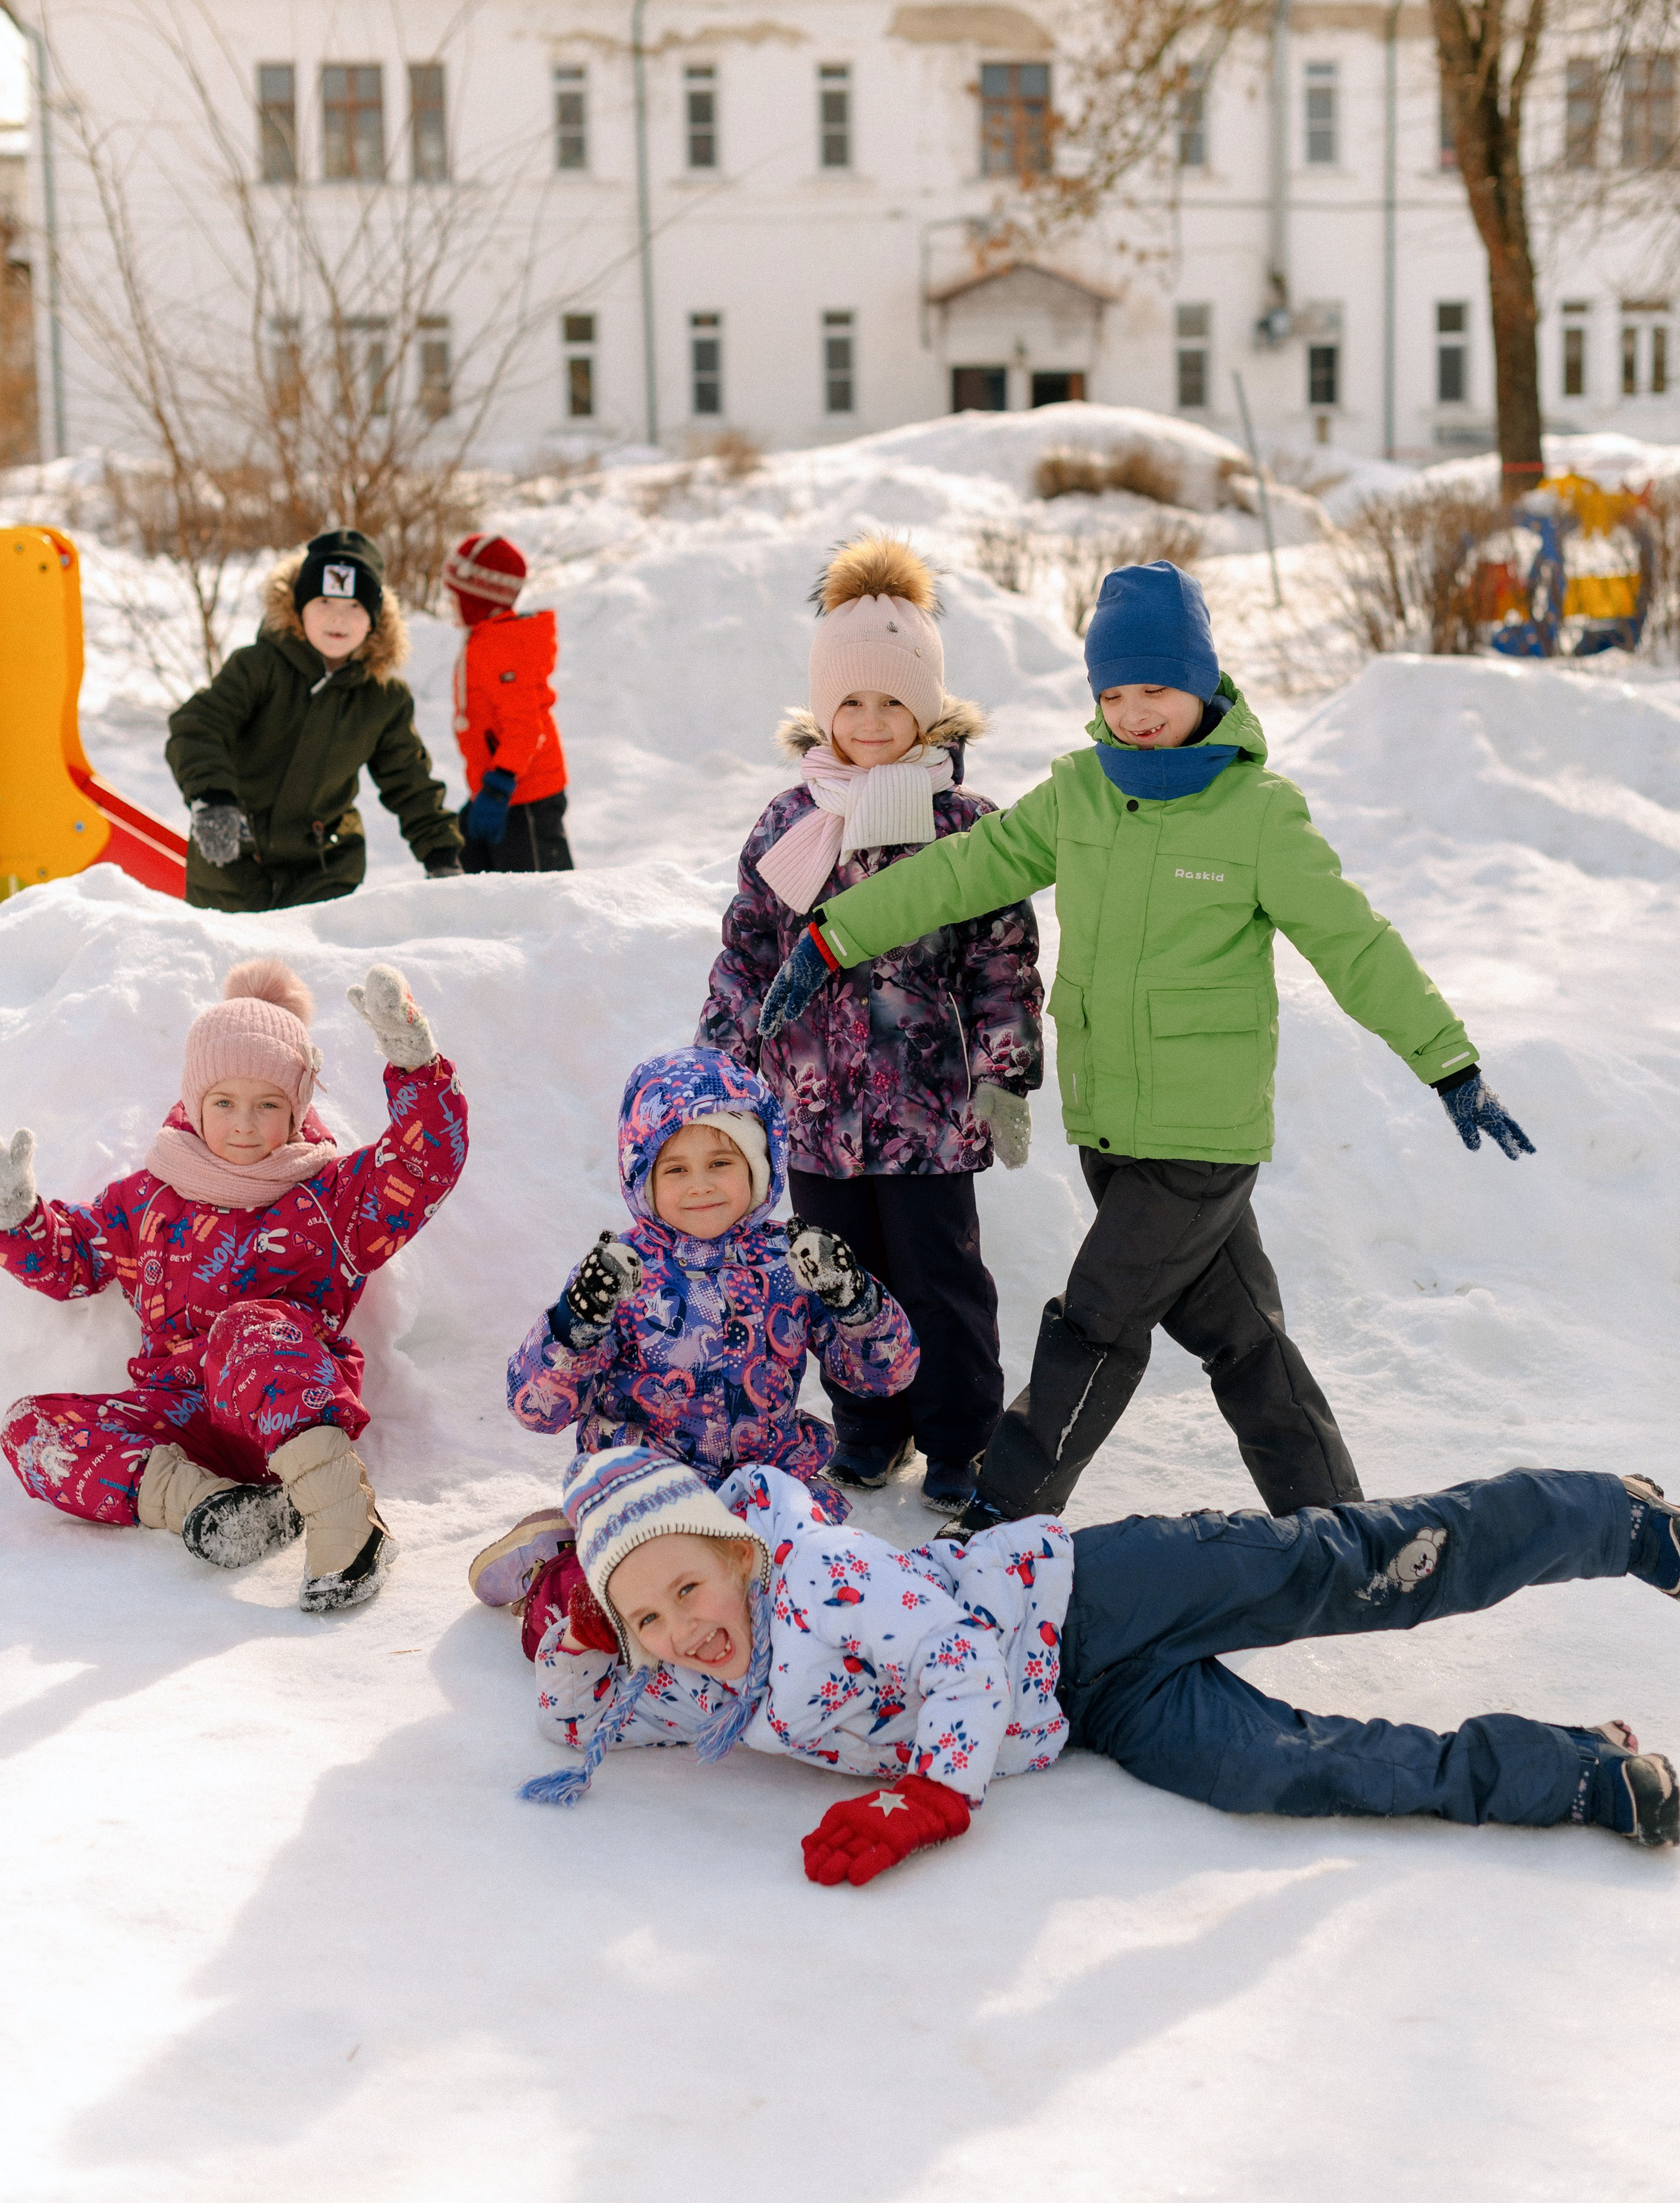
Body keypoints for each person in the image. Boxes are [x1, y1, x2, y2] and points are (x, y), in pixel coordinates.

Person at [757, 561, 1537, 1535]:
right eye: (1113, 694)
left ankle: (1004, 1514)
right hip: (1111, 1124)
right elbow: (960, 872)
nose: (1133, 714)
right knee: (1244, 1341)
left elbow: (1354, 942)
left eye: (1154, 691)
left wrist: (1447, 1060)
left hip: (1202, 1135)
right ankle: (1343, 1533)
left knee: (1096, 1324)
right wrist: (833, 934)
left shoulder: (1258, 816)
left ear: (1203, 684)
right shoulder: (1079, 794)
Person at [505, 1442, 1679, 1874]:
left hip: (1096, 1591)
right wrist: (578, 1603)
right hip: (1089, 1703)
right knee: (1277, 1769)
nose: (682, 1633)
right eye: (646, 1622)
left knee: (1362, 1567)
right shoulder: (711, 1693)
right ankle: (1573, 1773)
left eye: (686, 1589)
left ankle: (1615, 1520)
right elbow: (577, 1720)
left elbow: (962, 1652)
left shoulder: (817, 1574)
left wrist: (928, 1793)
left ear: (736, 1551)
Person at [697, 535, 1041, 1517]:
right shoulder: (788, 824)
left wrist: (1005, 1073)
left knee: (940, 1283)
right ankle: (866, 1429)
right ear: (824, 711)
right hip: (811, 1114)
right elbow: (748, 955)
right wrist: (721, 1067)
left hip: (927, 1116)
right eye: (853, 702)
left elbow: (1002, 961)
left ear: (927, 707)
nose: (873, 721)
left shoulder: (966, 827)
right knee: (833, 1280)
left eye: (894, 701)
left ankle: (960, 1441)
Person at [0, 957, 467, 1612]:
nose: (245, 1124)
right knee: (29, 1429)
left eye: (267, 1105)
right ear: (195, 1103)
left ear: (297, 1107)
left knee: (247, 1325)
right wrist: (16, 1215)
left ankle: (347, 1527)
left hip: (291, 1405)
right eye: (224, 1102)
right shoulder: (147, 1199)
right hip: (186, 1421)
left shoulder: (330, 1197)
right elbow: (72, 1259)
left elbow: (423, 1165)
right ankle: (216, 1509)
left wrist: (417, 1067)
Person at [472, 1047, 917, 1605]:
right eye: (676, 1169)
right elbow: (538, 1409)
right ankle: (560, 1563)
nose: (700, 1185)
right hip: (648, 1490)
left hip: (764, 1485)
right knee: (654, 1607)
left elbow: (886, 1377)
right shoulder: (622, 1273)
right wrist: (578, 1320)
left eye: (721, 1164)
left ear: (759, 1167)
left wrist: (853, 1298)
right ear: (642, 1176)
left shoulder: (792, 1261)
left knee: (818, 1594)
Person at [166, 528, 464, 910]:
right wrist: (214, 799)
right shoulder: (259, 668)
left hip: (324, 870)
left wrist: (442, 856)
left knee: (309, 967)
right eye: (323, 601)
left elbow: (410, 782)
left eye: (355, 606)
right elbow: (196, 726)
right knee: (233, 966)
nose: (338, 618)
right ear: (298, 607)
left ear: (374, 619)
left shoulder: (383, 698)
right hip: (232, 858)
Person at [442, 530, 573, 874]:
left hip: (527, 796)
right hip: (499, 789)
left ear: (478, 599)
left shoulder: (502, 647)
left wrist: (499, 786)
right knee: (482, 876)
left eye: (455, 595)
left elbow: (525, 727)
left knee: (538, 893)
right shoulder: (486, 639)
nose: (449, 603)